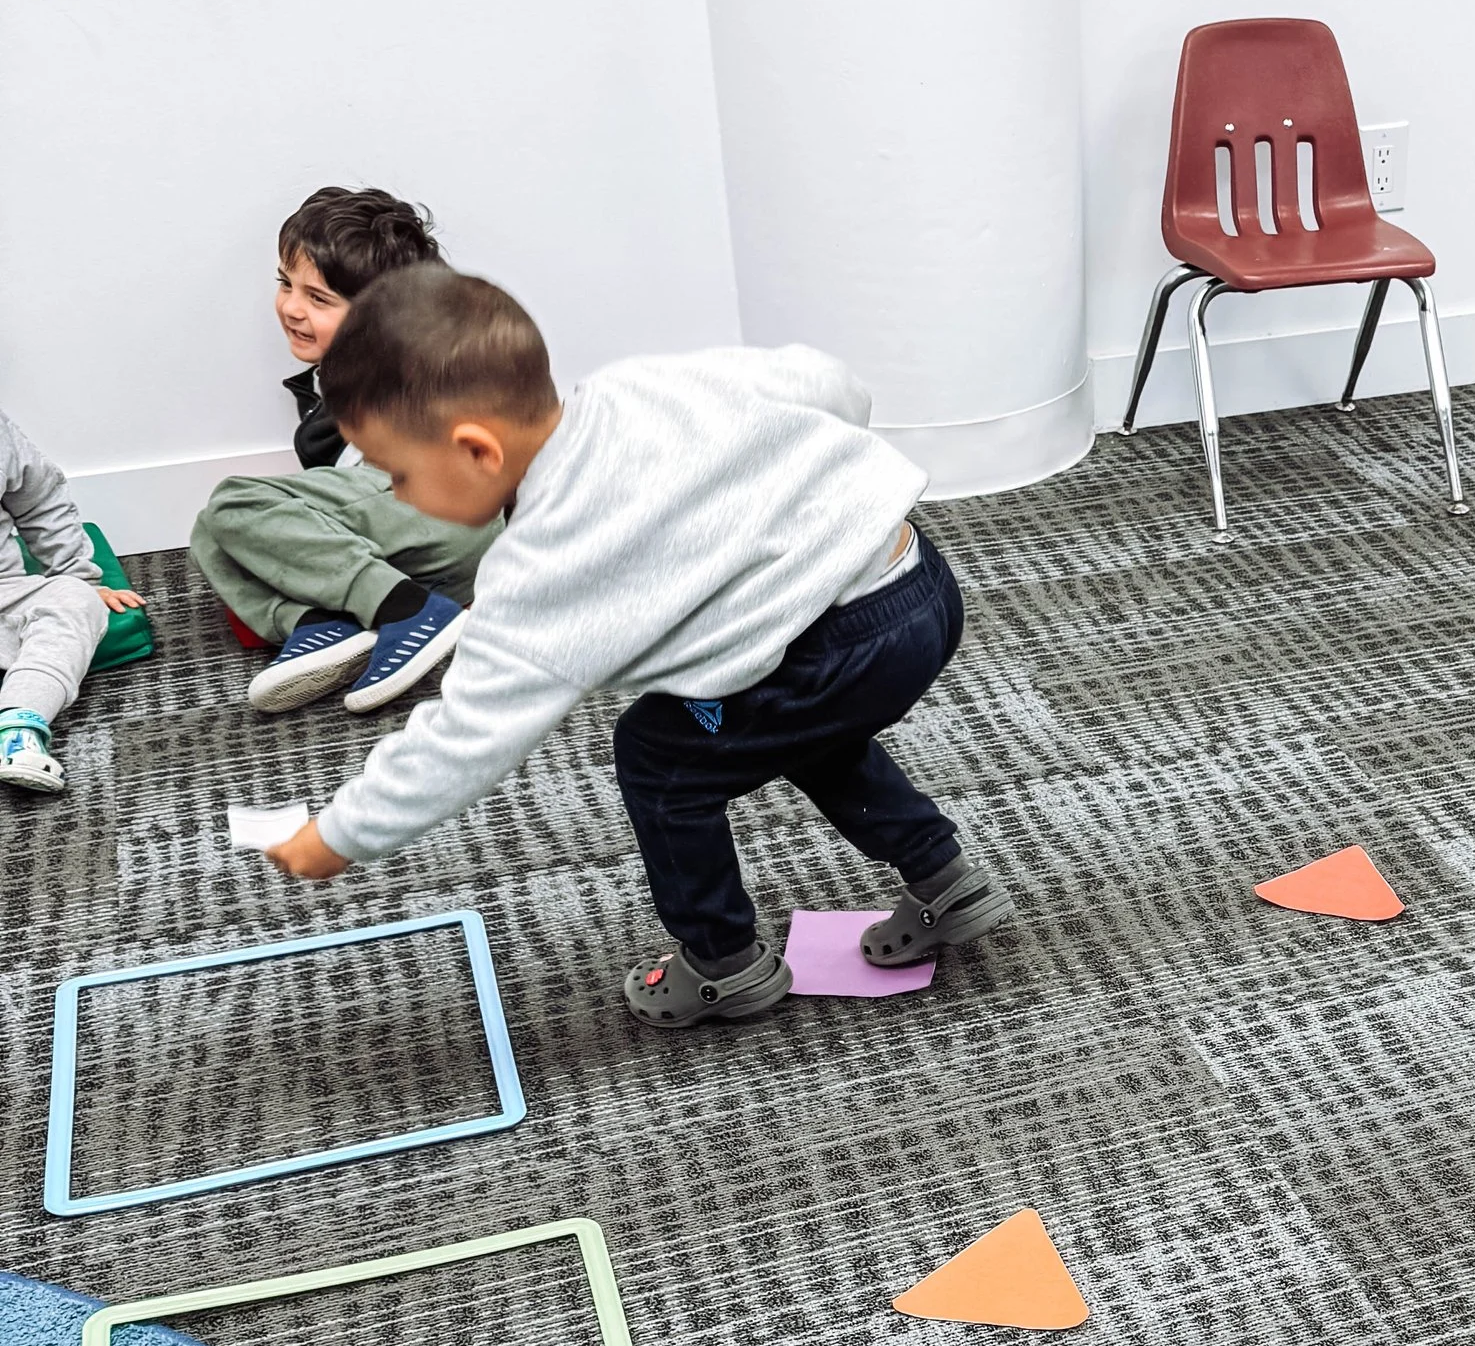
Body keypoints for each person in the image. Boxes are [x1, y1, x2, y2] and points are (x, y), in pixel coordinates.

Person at [262, 267, 1007, 1025]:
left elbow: (462, 738)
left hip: (835, 645)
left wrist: (341, 833)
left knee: (660, 755)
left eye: (397, 474)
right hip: (916, 580)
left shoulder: (537, 570)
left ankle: (724, 964)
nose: (397, 496)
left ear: (477, 451)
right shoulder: (638, 386)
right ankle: (945, 879)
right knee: (799, 729)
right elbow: (827, 381)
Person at [190, 187, 497, 717]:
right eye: (286, 284)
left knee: (233, 503)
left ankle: (409, 610)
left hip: (440, 519)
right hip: (419, 551)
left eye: (319, 299)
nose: (290, 307)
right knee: (210, 537)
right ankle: (321, 626)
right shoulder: (336, 377)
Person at [0, 407, 148, 798]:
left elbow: (41, 503)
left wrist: (78, 574)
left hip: (5, 591)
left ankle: (20, 729)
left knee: (75, 598)